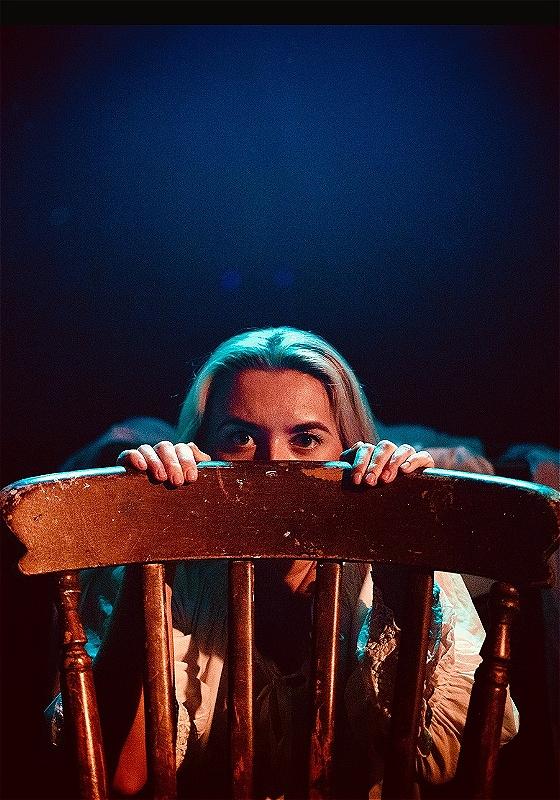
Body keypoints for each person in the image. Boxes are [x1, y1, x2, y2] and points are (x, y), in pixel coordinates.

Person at [47, 326, 518, 799]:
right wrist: (157, 547)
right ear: (202, 450)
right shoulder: (162, 570)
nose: (275, 465)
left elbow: (439, 758)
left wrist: (398, 557)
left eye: (307, 439)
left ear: (350, 447)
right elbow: (118, 775)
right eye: (240, 438)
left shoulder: (401, 546)